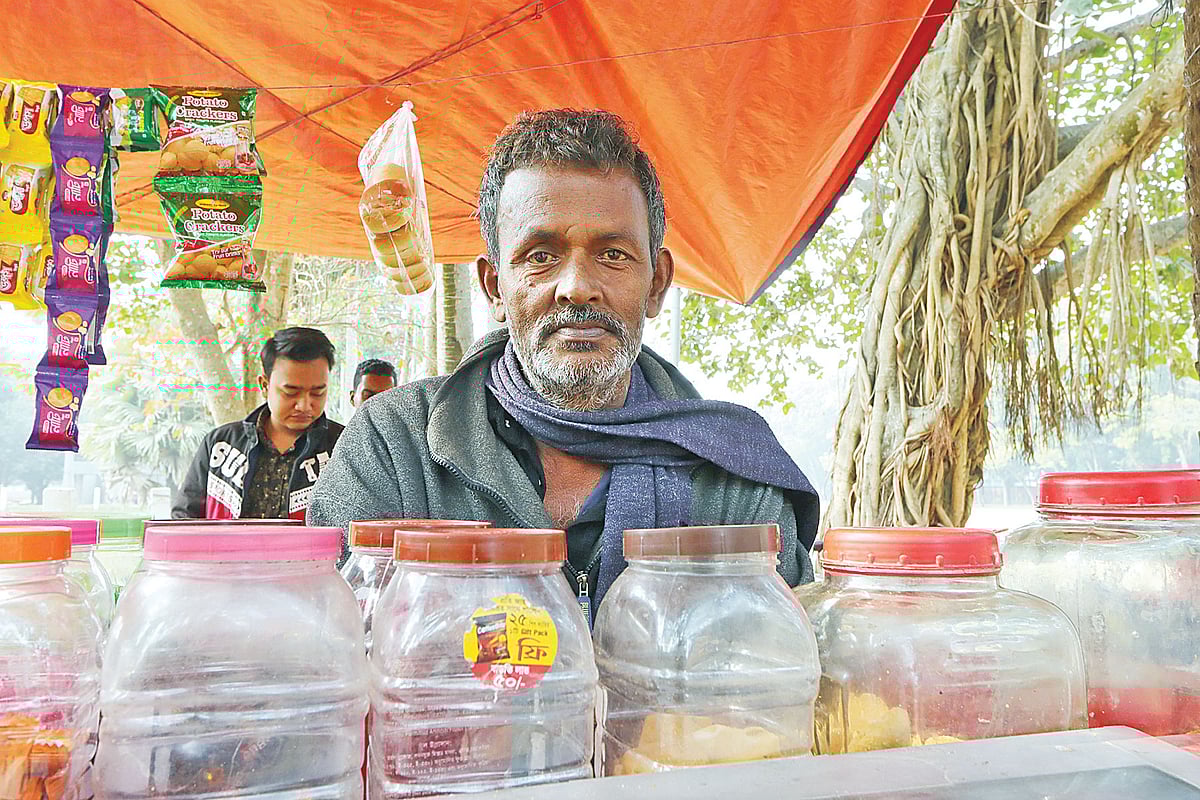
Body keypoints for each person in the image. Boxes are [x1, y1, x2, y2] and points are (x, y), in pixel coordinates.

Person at [308, 109, 818, 621]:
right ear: (494, 288)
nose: (576, 285)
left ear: (657, 283)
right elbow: (328, 650)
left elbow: (775, 678)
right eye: (540, 255)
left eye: (613, 254)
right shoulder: (396, 447)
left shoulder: (734, 476)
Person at [173, 326, 344, 520]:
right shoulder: (220, 445)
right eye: (290, 392)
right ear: (264, 385)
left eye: (317, 393)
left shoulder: (344, 447)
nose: (304, 405)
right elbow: (184, 519)